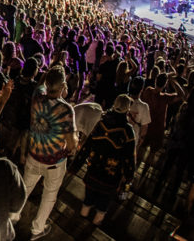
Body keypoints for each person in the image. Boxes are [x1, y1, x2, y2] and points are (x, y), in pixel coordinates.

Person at [22, 66, 76, 240]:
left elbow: (42, 85)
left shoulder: (37, 98)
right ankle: (37, 229)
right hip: (54, 162)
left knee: (24, 189)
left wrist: (51, 76)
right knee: (49, 195)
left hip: (33, 155)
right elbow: (70, 144)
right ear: (62, 86)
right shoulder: (66, 110)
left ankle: (11, 216)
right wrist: (73, 143)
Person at [78, 94, 136, 225]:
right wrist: (129, 175)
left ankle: (84, 212)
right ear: (127, 109)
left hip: (94, 168)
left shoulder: (101, 123)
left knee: (89, 193)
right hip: (111, 174)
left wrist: (76, 164)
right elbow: (129, 156)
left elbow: (87, 145)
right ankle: (97, 219)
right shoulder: (127, 131)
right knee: (104, 199)